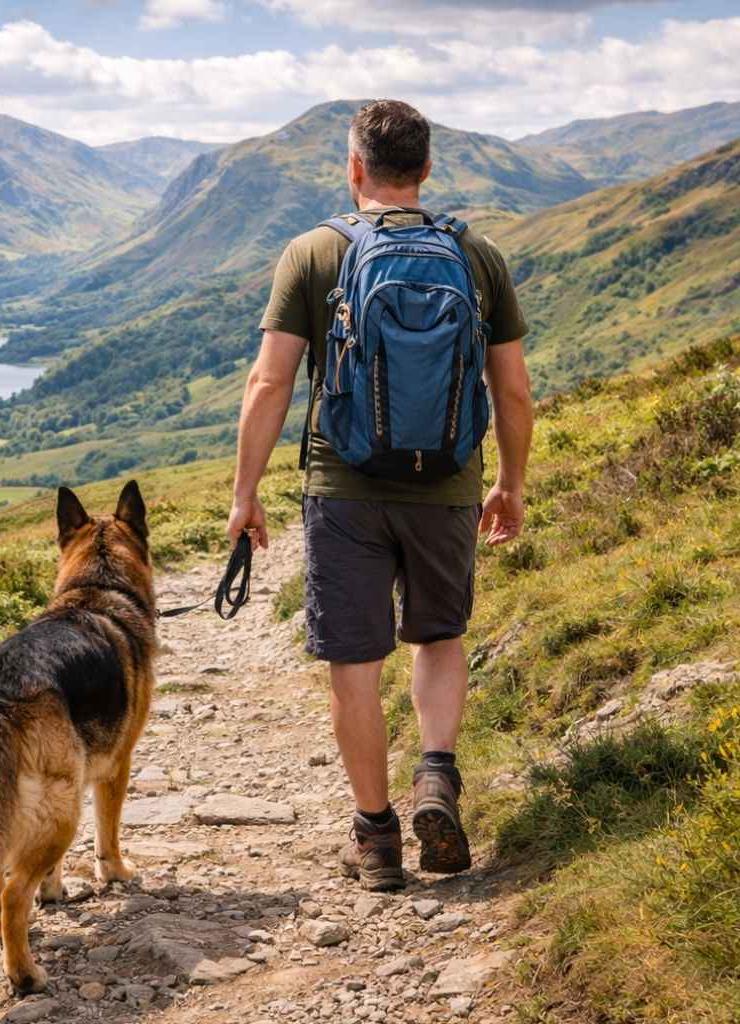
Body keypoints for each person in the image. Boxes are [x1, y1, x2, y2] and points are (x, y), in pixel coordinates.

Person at [225, 99, 535, 890]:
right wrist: (508, 484)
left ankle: (376, 839)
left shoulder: (315, 252)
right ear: (426, 170)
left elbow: (270, 382)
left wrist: (245, 494)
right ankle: (436, 776)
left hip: (345, 486)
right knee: (438, 636)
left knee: (355, 663)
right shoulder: (478, 257)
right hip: (448, 485)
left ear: (355, 168)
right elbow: (515, 395)